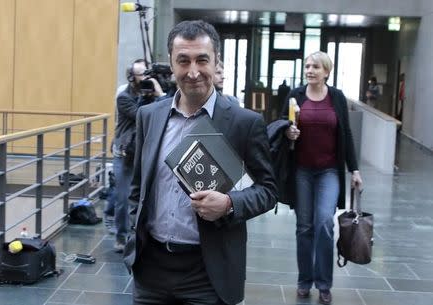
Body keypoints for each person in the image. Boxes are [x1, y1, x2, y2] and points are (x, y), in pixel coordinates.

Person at [125, 20, 278, 305]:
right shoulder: (149, 116)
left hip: (208, 272)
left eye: (202, 60)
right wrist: (131, 245)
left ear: (216, 62)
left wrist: (229, 204)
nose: (193, 72)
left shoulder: (244, 123)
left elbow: (268, 191)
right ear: (171, 64)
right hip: (150, 271)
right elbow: (138, 187)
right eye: (183, 61)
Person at [281, 51, 363, 304]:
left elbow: (346, 134)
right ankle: (305, 281)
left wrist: (355, 169)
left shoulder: (336, 97)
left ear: (326, 71)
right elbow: (282, 125)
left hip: (329, 170)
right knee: (304, 227)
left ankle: (324, 283)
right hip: (302, 171)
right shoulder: (295, 96)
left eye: (316, 66)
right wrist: (288, 133)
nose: (310, 70)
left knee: (325, 223)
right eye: (307, 66)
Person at [111, 59, 164, 252]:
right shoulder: (124, 97)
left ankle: (141, 233)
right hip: (125, 153)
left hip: (144, 152)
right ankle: (121, 236)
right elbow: (144, 116)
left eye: (147, 74)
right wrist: (159, 96)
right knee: (123, 197)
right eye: (142, 74)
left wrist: (157, 94)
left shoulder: (150, 97)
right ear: (132, 77)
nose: (145, 79)